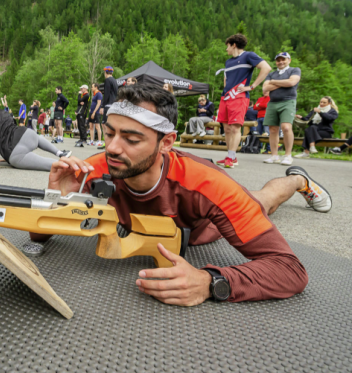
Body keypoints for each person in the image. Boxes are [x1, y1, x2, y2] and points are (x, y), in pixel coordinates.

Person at [36, 84, 332, 306]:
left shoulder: (208, 185)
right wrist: (55, 201)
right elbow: (37, 236)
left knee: (264, 200)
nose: (112, 147)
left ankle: (297, 180)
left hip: (204, 227)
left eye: (131, 138)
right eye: (110, 133)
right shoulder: (94, 168)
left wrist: (211, 282)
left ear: (166, 142)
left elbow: (291, 271)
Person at [215, 34, 271, 168]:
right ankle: (230, 156)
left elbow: (266, 68)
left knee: (235, 127)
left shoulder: (248, 56)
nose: (226, 50)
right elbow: (226, 79)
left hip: (239, 97)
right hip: (226, 97)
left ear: (233, 45)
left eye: (227, 46)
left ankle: (232, 157)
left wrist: (251, 87)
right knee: (226, 128)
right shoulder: (228, 62)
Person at [0, 97, 71, 171]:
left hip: (15, 152)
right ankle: (60, 153)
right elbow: (12, 124)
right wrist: (5, 157)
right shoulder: (2, 112)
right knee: (38, 137)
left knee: (53, 166)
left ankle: (71, 168)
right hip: (26, 134)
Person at [261, 52, 301, 166]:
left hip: (288, 101)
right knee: (272, 129)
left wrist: (273, 82)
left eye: (283, 59)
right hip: (273, 102)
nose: (280, 62)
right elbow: (265, 88)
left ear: (289, 60)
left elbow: (292, 82)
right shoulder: (272, 73)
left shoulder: (294, 70)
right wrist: (285, 83)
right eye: (278, 60)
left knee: (286, 127)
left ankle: (288, 155)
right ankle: (274, 156)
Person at [100, 66, 119, 149]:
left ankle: (107, 142)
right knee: (110, 124)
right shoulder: (115, 80)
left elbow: (106, 94)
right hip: (114, 104)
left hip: (108, 105)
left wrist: (102, 106)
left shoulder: (107, 80)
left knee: (104, 124)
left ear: (105, 73)